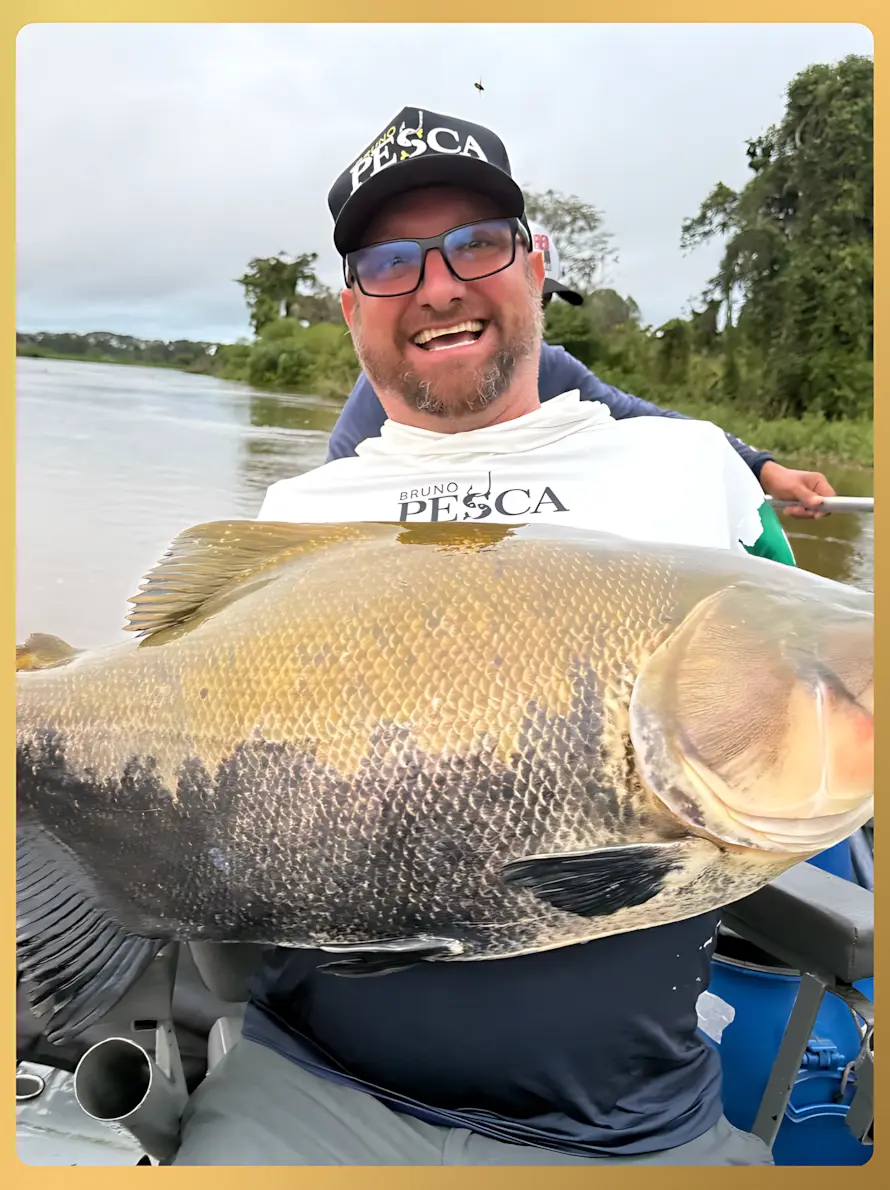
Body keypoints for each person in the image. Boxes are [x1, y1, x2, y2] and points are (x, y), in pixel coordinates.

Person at [174, 106, 791, 1167]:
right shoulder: (289, 513)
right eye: (389, 261)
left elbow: (803, 709)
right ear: (349, 304)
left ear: (535, 260)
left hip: (631, 1131)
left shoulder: (698, 472)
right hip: (303, 1086)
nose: (438, 284)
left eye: (476, 242)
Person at [325, 225, 835, 523]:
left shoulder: (555, 368)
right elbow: (343, 484)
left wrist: (764, 469)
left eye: (542, 300)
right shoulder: (391, 389)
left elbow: (654, 422)